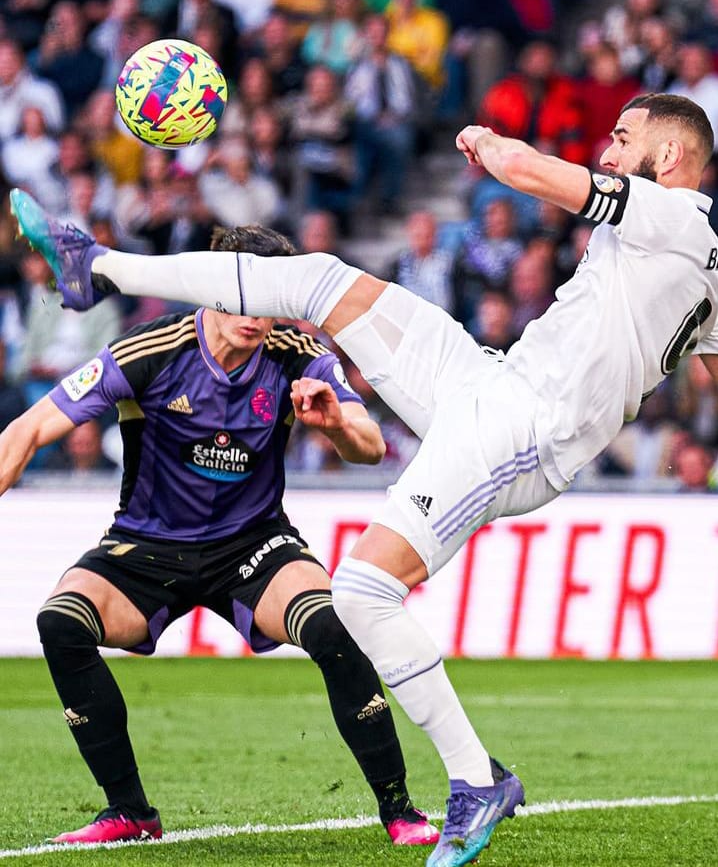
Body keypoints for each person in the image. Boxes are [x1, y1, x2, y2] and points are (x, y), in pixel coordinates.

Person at [11, 91, 718, 867]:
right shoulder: (702, 260)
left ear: (670, 157)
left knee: (358, 591)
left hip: (526, 428)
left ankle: (474, 777)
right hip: (488, 381)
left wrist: (485, 140)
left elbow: (523, 168)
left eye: (622, 139)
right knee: (318, 280)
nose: (609, 152)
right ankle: (99, 267)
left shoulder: (675, 217)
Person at [0, 225, 439, 849]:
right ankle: (130, 813)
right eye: (241, 297)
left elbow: (369, 446)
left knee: (332, 621)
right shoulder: (146, 352)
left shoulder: (298, 355)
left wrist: (335, 421)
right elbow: (25, 433)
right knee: (61, 623)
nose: (256, 317)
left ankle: (400, 809)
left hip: (253, 546)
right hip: (145, 547)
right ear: (209, 286)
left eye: (269, 300)